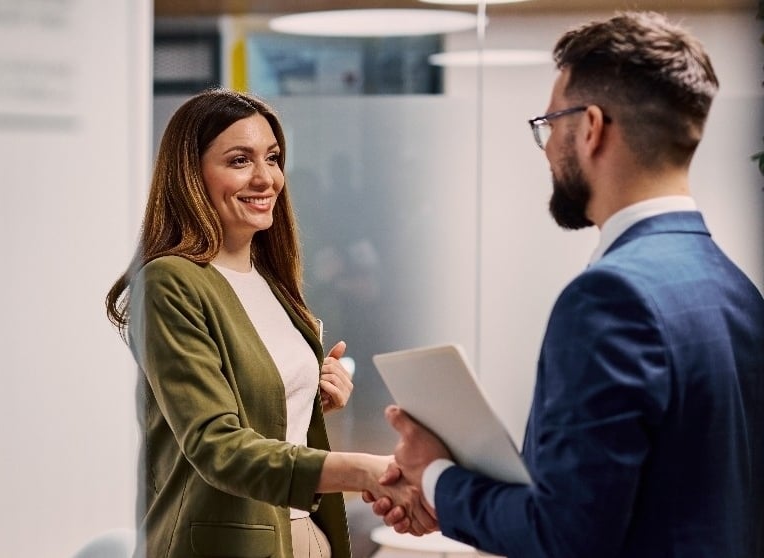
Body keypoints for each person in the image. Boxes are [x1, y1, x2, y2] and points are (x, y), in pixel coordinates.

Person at [366, 11, 764, 558]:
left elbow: (565, 535)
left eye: (550, 124)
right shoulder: (737, 289)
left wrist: (434, 476)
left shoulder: (611, 299)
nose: (549, 146)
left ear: (592, 128)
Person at [105, 88, 435, 558]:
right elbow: (218, 445)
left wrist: (310, 398)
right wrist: (365, 471)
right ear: (190, 175)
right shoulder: (171, 280)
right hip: (227, 543)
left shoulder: (268, 279)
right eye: (239, 161)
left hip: (303, 532)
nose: (267, 179)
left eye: (273, 158)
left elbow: (256, 412)